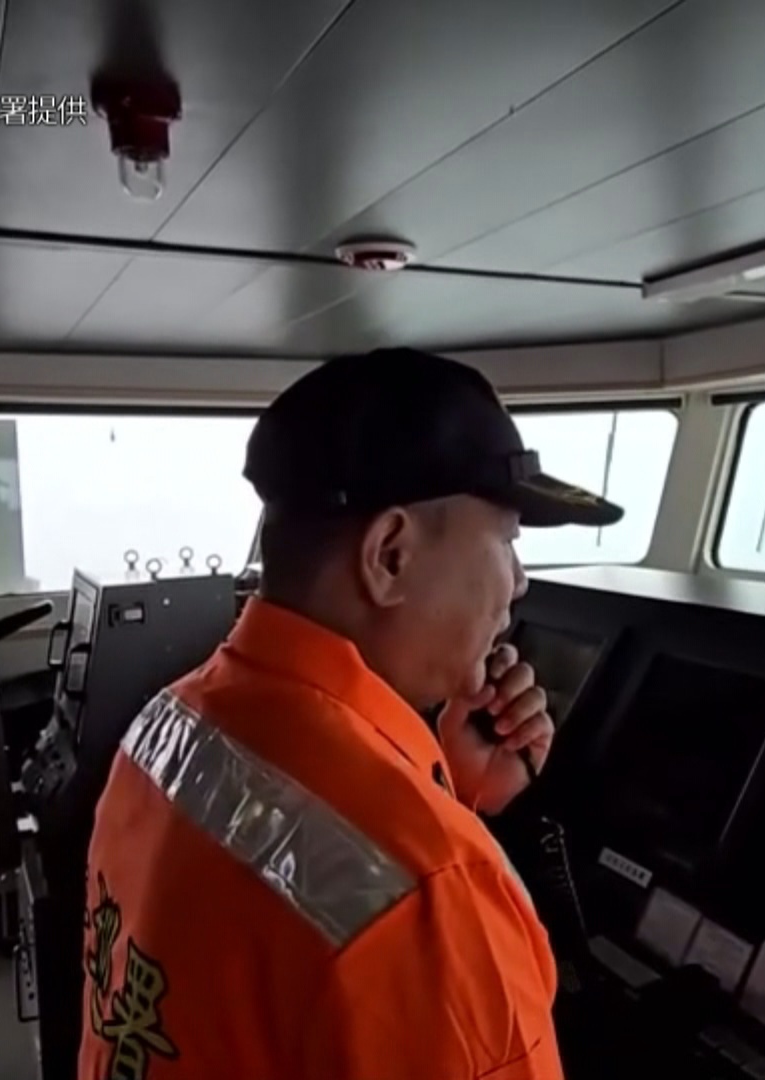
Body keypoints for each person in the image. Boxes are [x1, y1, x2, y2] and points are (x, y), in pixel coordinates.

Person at [77, 348, 622, 1080]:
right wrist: (438, 841)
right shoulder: (431, 898)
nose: (519, 582)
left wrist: (444, 794)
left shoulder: (164, 727)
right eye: (507, 541)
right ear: (390, 556)